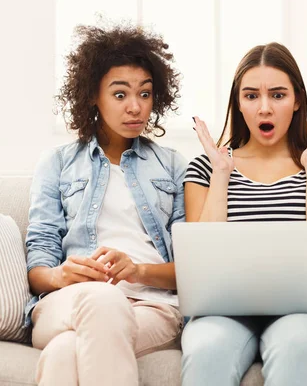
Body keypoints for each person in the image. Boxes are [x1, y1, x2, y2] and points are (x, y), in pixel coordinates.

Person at [25, 23, 187, 385]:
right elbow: (39, 260)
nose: (135, 107)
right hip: (67, 301)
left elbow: (192, 267)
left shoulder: (174, 166)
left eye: (145, 94)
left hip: (152, 306)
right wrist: (60, 275)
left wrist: (137, 271)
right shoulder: (58, 163)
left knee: (64, 352)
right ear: (92, 96)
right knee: (102, 301)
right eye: (119, 95)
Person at [181, 42, 307, 386]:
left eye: (277, 95)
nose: (264, 109)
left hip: (304, 314)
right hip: (221, 314)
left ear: (297, 100)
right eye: (251, 96)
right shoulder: (206, 167)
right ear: (238, 103)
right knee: (207, 351)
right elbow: (203, 255)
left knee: (295, 346)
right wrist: (221, 174)